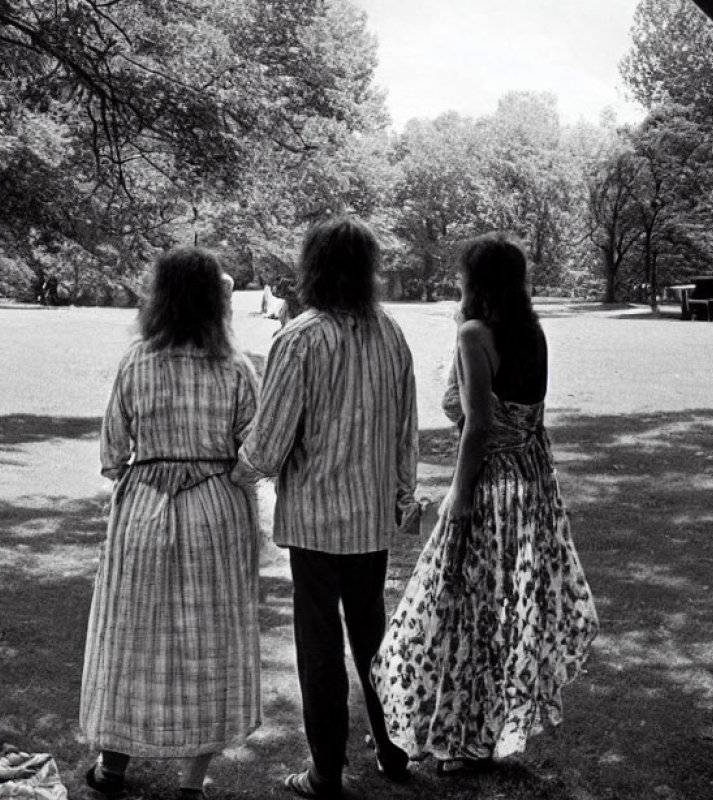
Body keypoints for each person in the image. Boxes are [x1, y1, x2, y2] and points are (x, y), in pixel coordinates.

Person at [371, 233, 599, 775]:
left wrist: (459, 493)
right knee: (500, 608)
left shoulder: (476, 334)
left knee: (459, 604)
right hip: (532, 485)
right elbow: (529, 418)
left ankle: (460, 737)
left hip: (490, 484)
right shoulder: (533, 333)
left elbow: (477, 423)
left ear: (476, 281)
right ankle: (477, 733)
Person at [235, 216, 419, 800]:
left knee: (320, 649)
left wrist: (227, 474)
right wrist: (401, 494)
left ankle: (325, 773)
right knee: (373, 638)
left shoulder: (299, 338)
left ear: (312, 266)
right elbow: (406, 431)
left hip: (317, 521)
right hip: (370, 519)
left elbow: (267, 444)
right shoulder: (390, 332)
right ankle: (393, 750)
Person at [80, 247, 262, 800]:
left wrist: (155, 470)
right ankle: (192, 782)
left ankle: (113, 769)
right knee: (211, 640)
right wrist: (216, 473)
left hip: (144, 509)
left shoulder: (136, 360)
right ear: (216, 300)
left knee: (131, 635)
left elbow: (112, 455)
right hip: (216, 512)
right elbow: (254, 453)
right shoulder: (235, 366)